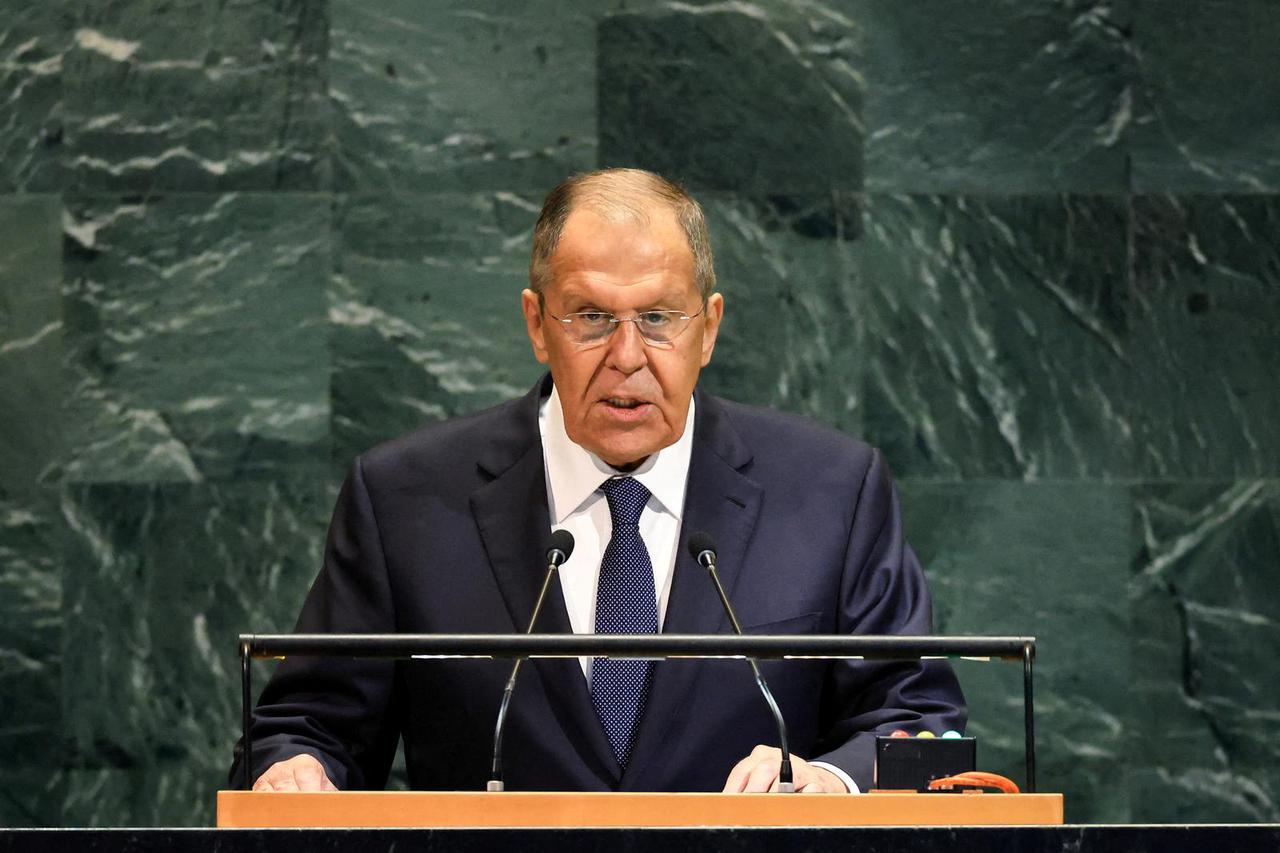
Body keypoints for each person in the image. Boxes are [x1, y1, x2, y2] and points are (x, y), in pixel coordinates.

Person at [232, 168, 964, 795]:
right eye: (590, 317)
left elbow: (923, 725)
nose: (626, 355)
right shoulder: (405, 499)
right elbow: (309, 725)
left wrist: (828, 779)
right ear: (536, 324)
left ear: (709, 328)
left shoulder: (833, 491)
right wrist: (296, 767)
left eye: (658, 318)